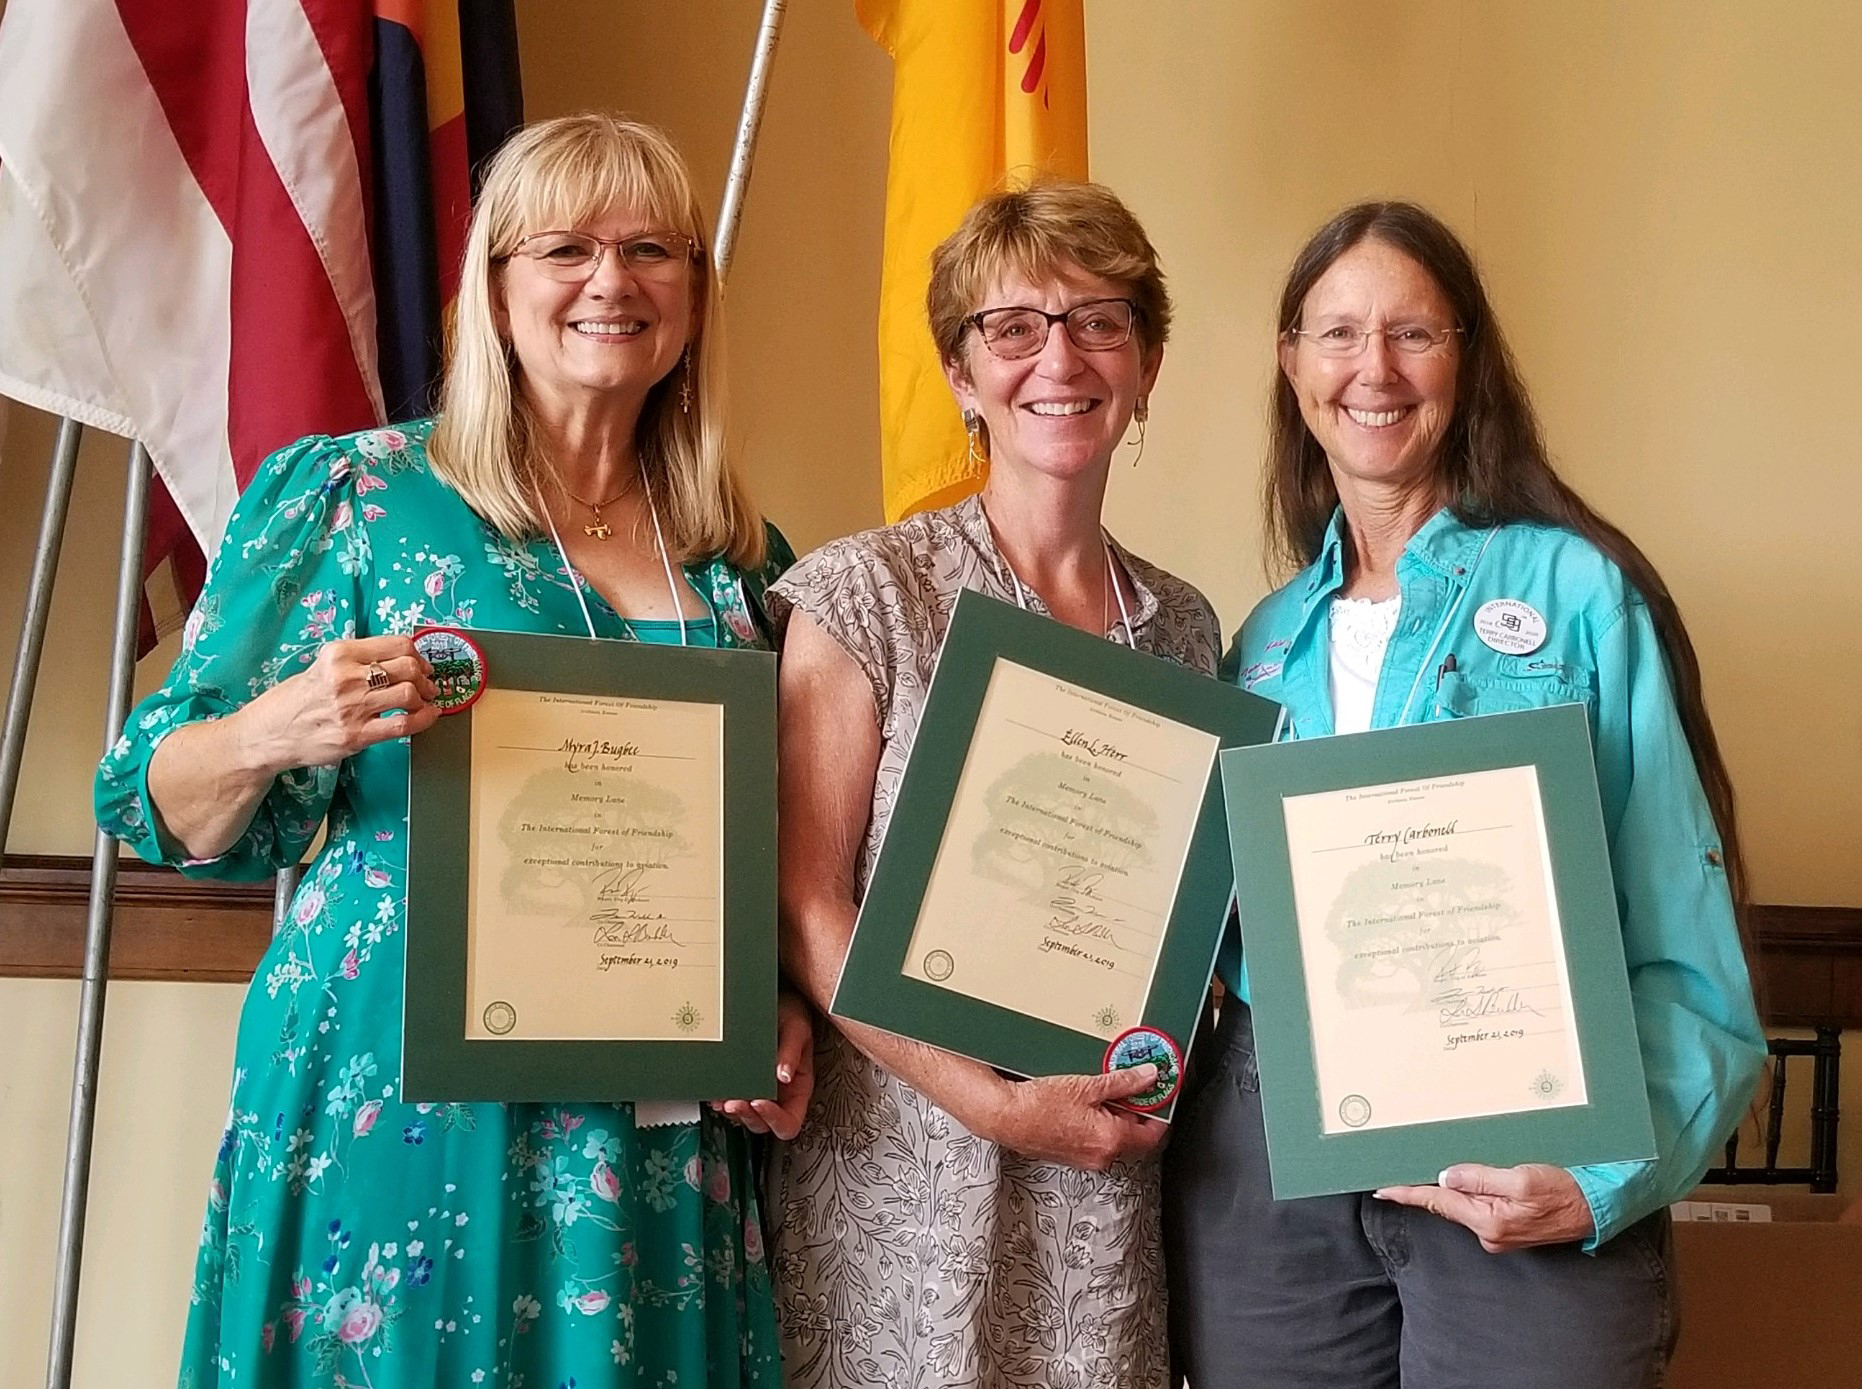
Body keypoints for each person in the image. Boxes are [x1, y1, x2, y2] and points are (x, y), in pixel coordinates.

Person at [95, 113, 811, 1388]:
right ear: (492, 285)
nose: (611, 282)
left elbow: (784, 845)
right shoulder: (359, 497)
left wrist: (788, 1011)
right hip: (403, 1082)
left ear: (694, 296)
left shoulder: (741, 558)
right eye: (565, 249)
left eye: (651, 249)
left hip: (647, 1116)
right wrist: (277, 728)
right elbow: (151, 802)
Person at [1164, 200, 1767, 1388]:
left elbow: (1684, 944)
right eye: (1334, 335)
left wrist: (1599, 1178)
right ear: (1290, 367)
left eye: (1412, 334)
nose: (1370, 370)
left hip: (1524, 1148)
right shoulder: (1260, 644)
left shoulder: (1580, 594)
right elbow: (1210, 939)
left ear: (1467, 356)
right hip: (1272, 1183)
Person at [766, 182, 1219, 1389]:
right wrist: (991, 1105)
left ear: (1147, 362)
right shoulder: (866, 594)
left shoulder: (1184, 630)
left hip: (1098, 1184)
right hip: (900, 1177)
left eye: (1098, 321)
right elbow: (810, 913)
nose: (1056, 358)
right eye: (1010, 327)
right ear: (961, 376)